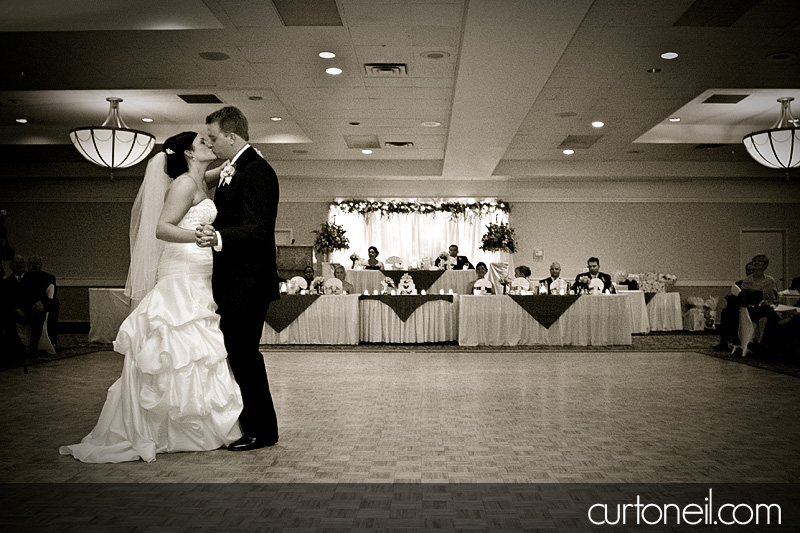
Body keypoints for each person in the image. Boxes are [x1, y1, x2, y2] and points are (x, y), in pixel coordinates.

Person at [60, 131, 244, 463]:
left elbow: (215, 175)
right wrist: (202, 236)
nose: (211, 144)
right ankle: (168, 426)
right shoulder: (184, 186)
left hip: (200, 274)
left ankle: (195, 422)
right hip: (182, 271)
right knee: (177, 341)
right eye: (205, 142)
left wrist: (231, 166)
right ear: (189, 152)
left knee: (198, 346)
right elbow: (162, 228)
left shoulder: (198, 180)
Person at [196, 106, 280, 452]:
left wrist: (217, 238)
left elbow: (259, 228)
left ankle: (262, 430)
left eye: (214, 138)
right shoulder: (238, 167)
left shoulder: (257, 171)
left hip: (249, 282)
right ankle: (254, 425)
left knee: (245, 354)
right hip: (235, 281)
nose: (211, 144)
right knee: (238, 354)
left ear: (231, 136)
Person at [739, 253, 779, 354]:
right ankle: (761, 344)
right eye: (755, 261)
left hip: (766, 307)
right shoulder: (747, 280)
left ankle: (762, 344)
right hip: (752, 308)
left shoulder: (770, 280)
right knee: (764, 314)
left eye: (760, 261)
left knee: (769, 317)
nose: (756, 263)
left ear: (765, 266)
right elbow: (744, 297)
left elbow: (774, 297)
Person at [712, 262, 754, 352]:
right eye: (748, 270)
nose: (750, 272)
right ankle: (724, 342)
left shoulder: (761, 284)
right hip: (739, 307)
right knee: (726, 312)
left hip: (753, 307)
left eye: (752, 270)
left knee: (732, 312)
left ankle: (735, 339)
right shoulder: (739, 283)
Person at [25, 255, 59, 347]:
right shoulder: (23, 277)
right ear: (27, 265)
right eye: (32, 263)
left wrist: (42, 302)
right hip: (27, 303)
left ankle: (52, 340)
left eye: (37, 263)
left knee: (55, 303)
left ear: (41, 265)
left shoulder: (48, 277)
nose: (34, 265)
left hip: (45, 303)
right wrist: (35, 302)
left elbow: (52, 294)